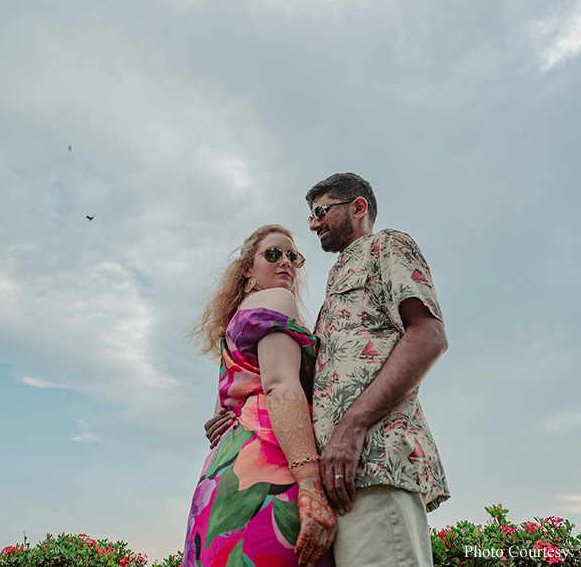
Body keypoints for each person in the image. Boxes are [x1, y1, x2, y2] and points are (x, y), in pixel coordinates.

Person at [305, 172, 450, 567]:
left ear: (358, 207)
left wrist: (351, 428)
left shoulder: (387, 244)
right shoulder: (335, 278)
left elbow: (428, 335)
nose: (314, 223)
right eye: (310, 217)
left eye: (320, 211)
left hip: (375, 464)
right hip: (338, 481)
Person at [184, 224, 336, 567]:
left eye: (293, 256)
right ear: (247, 268)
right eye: (273, 254)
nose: (286, 262)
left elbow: (220, 415)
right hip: (273, 463)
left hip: (226, 470)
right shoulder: (279, 300)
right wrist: (310, 484)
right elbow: (280, 385)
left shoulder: (233, 327)